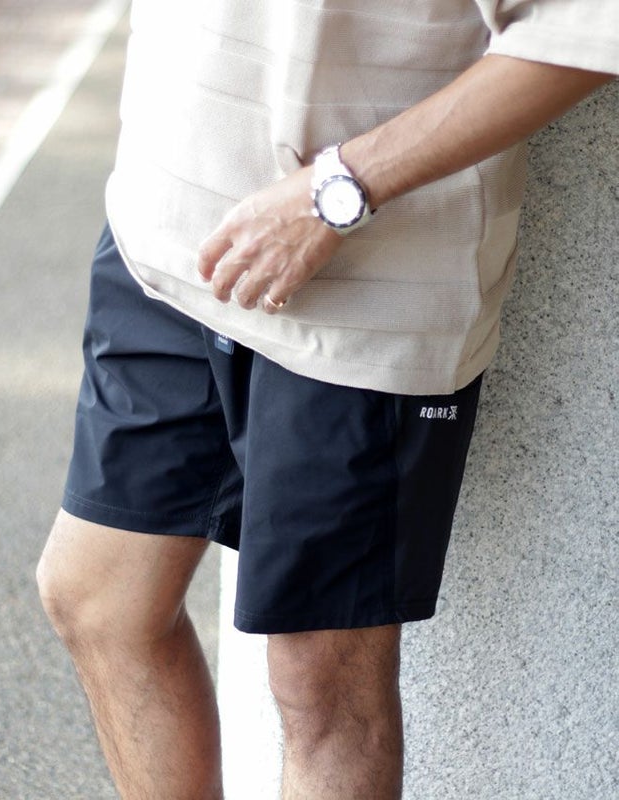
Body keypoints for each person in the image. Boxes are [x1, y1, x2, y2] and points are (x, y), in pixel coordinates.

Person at [36, 1, 617, 797]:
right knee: (98, 598)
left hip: (365, 295)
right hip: (165, 233)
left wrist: (339, 187)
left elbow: (583, 33)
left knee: (322, 688)